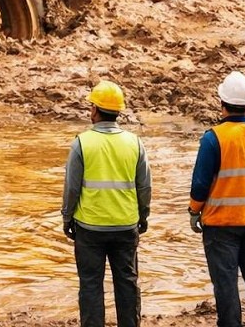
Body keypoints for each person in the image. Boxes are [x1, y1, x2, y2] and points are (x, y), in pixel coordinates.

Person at [188, 71, 245, 327]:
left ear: (221, 102)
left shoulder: (213, 137)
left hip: (222, 223)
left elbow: (201, 183)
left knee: (225, 282)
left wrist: (194, 211)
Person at [62, 80, 151, 327]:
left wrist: (67, 218)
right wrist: (143, 217)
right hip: (125, 226)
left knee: (90, 285)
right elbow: (145, 187)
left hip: (89, 228)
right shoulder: (135, 143)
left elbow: (71, 188)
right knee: (128, 283)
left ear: (95, 110)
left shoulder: (82, 143)